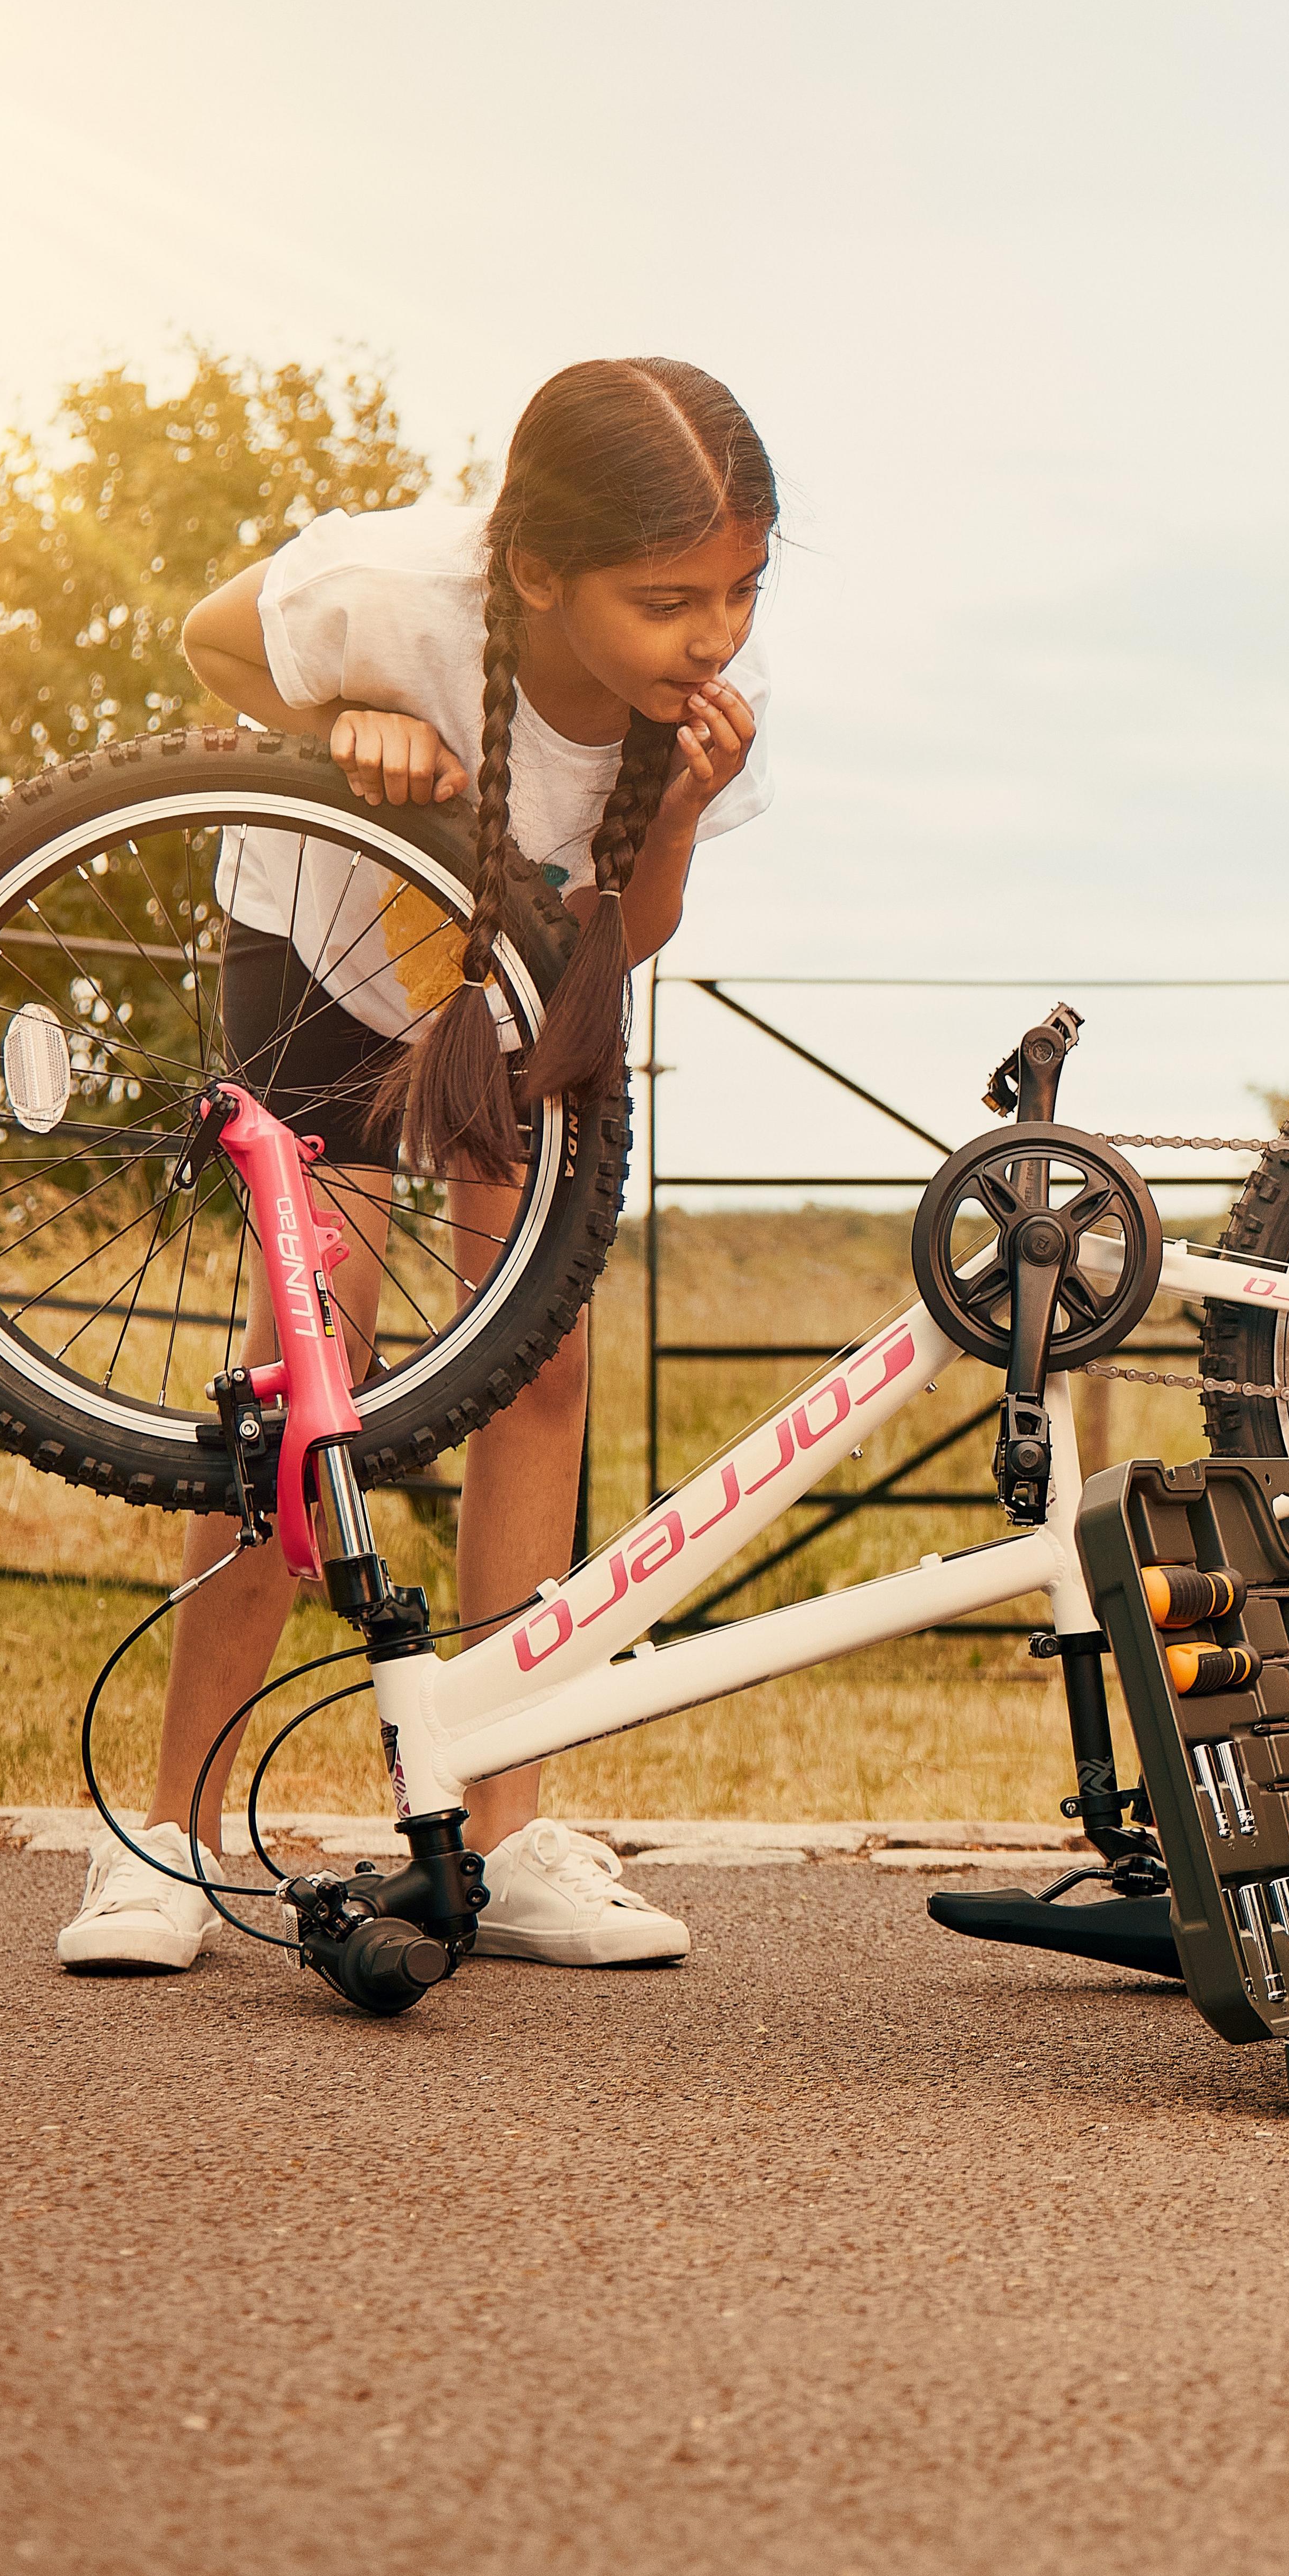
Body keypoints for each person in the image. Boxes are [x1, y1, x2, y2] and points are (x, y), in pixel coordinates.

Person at [53, 356, 778, 1977]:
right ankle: (168, 1835)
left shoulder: (692, 713)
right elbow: (207, 634)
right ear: (536, 572)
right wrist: (339, 716)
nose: (716, 632)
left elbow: (630, 936)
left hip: (511, 999)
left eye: (741, 589)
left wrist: (678, 820)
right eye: (670, 598)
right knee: (312, 1352)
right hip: (321, 952)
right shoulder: (398, 592)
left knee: (543, 1361)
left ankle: (506, 1832)